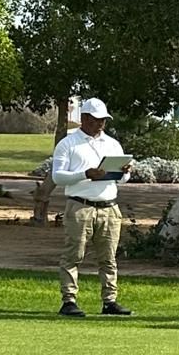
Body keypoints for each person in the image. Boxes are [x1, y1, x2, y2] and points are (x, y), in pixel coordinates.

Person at [51, 99, 133, 318]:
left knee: (108, 257)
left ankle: (110, 301)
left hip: (109, 207)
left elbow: (121, 179)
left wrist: (125, 172)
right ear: (84, 118)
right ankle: (69, 300)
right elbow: (58, 176)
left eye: (103, 120)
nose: (100, 124)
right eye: (96, 120)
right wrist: (85, 174)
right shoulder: (68, 143)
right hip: (80, 206)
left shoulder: (112, 144)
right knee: (74, 255)